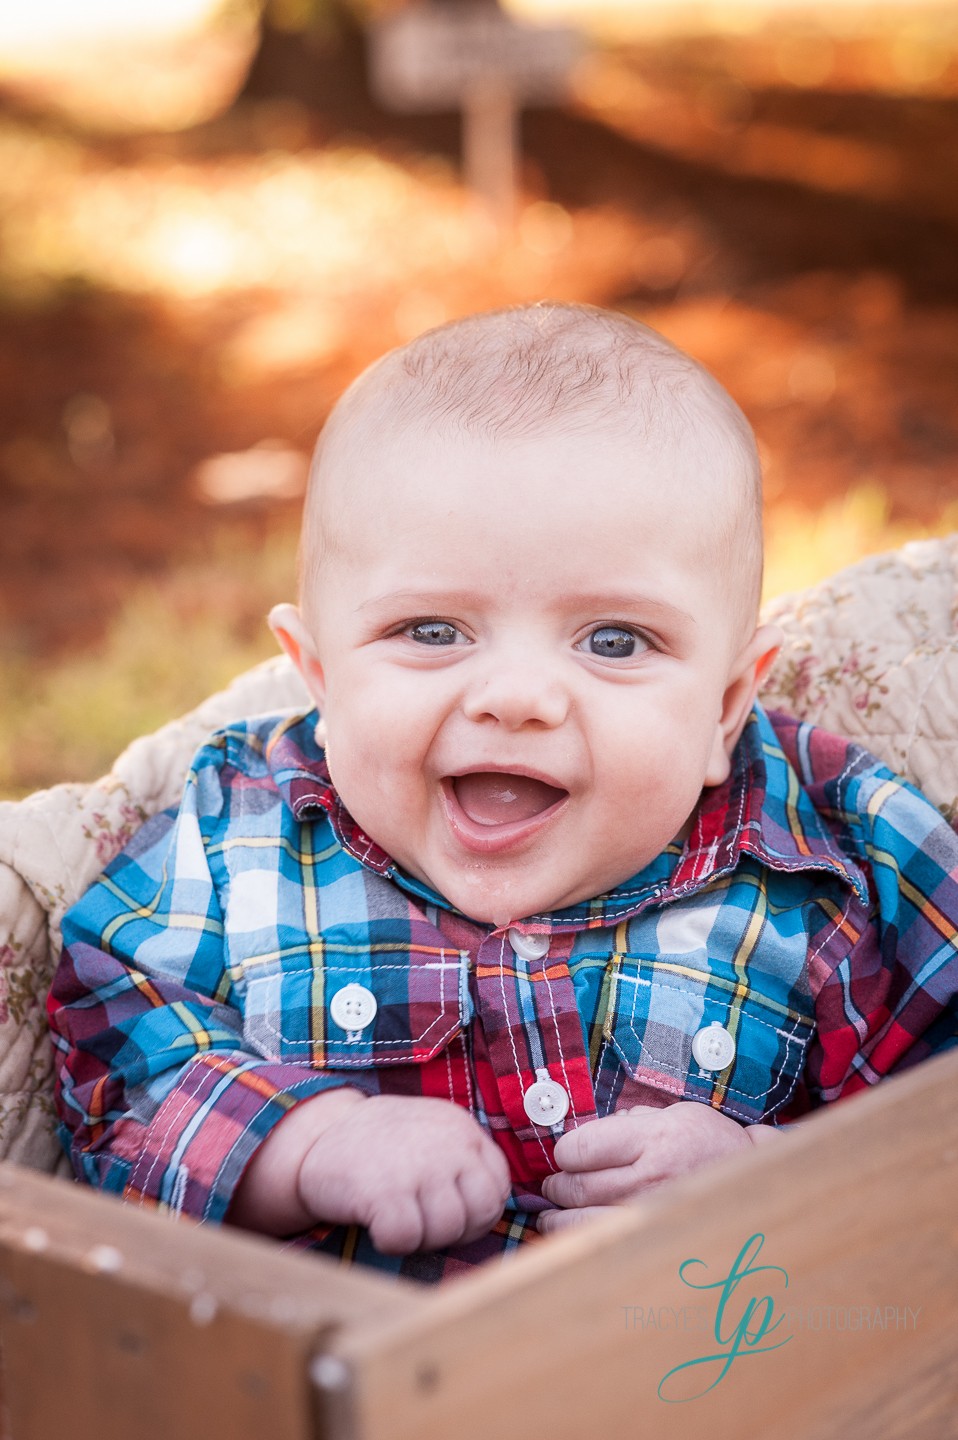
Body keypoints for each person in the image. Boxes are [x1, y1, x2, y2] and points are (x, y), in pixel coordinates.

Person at [48, 304, 958, 1283]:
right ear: (316, 675)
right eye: (433, 630)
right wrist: (311, 1146)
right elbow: (112, 1064)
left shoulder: (823, 848)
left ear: (725, 707)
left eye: (614, 640)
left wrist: (768, 1182)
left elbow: (933, 1135)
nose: (517, 698)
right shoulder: (237, 837)